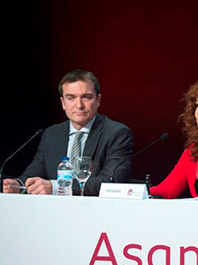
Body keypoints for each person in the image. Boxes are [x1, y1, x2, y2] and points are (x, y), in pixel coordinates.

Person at [2, 69, 133, 196]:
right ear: (63, 103)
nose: (79, 105)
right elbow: (34, 173)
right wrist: (18, 185)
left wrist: (57, 187)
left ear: (98, 100)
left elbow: (113, 182)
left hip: (96, 212)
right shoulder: (52, 134)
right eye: (71, 98)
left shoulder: (116, 133)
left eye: (86, 97)